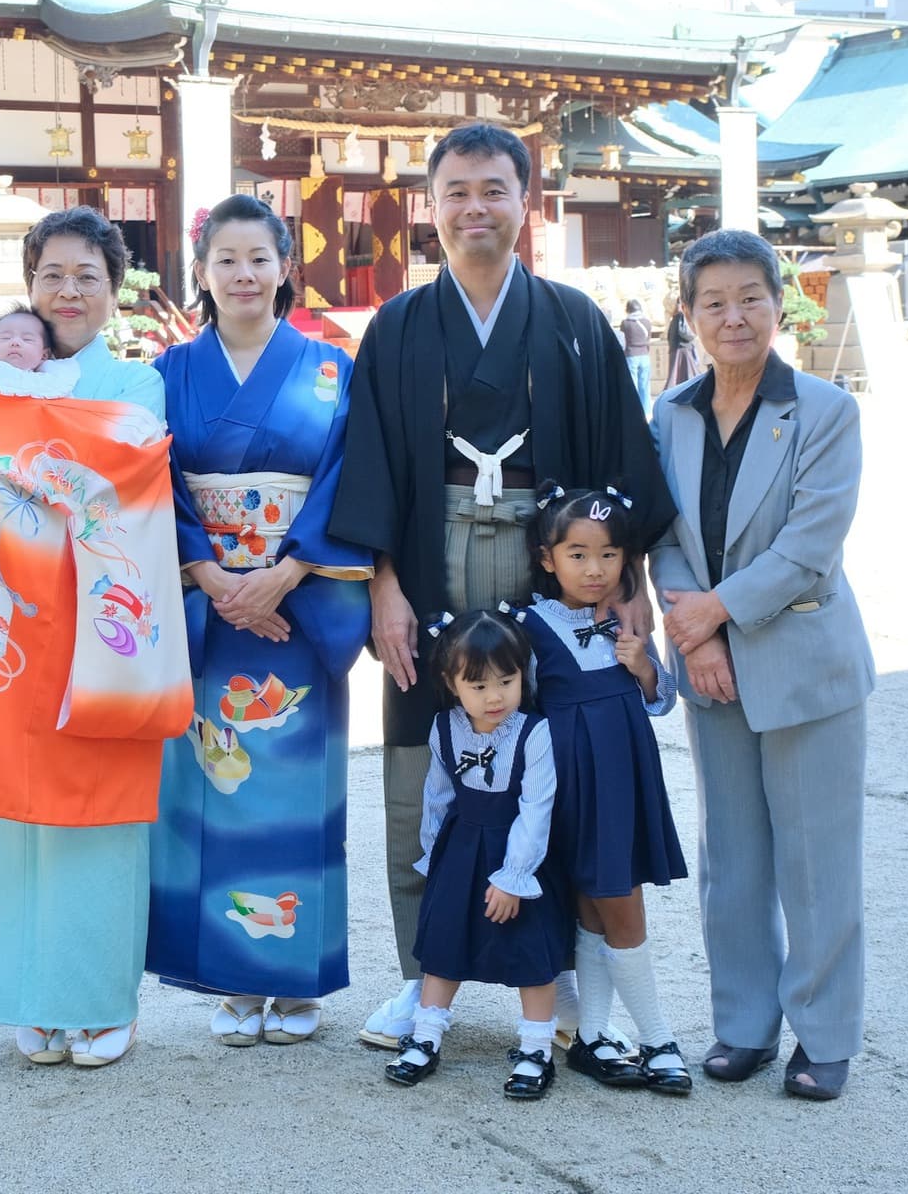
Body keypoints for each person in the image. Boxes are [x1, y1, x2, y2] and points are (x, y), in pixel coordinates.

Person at [329, 122, 675, 1051]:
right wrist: (385, 587)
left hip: (547, 568)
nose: (474, 208)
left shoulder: (572, 323)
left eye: (494, 190)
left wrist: (627, 579)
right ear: (429, 208)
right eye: (456, 192)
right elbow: (372, 468)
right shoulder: (399, 326)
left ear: (527, 203)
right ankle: (420, 980)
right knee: (422, 760)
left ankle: (549, 976)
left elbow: (615, 458)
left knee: (548, 761)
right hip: (429, 553)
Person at [0, 206, 170, 1068]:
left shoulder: (136, 385)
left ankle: (101, 996)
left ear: (115, 291)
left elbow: (111, 483)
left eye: (87, 277)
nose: (68, 293)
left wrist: (12, 441)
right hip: (1, 622)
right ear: (28, 285)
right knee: (9, 813)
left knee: (97, 811)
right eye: (51, 276)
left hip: (98, 623)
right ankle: (27, 991)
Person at [649, 229, 875, 1102]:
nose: (733, 316)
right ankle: (743, 1026)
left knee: (817, 861)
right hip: (712, 671)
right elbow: (662, 534)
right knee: (732, 859)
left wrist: (713, 614)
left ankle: (824, 1038)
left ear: (781, 305)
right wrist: (696, 638)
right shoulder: (669, 413)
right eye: (713, 302)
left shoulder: (824, 410)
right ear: (689, 315)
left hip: (803, 660)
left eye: (750, 297)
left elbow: (809, 546)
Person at [145, 195, 371, 1046]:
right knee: (215, 786)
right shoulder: (168, 373)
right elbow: (149, 480)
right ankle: (233, 979)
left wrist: (283, 572)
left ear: (284, 268)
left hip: (298, 608)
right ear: (200, 272)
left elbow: (352, 473)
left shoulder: (331, 369)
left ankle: (298, 979)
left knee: (296, 794)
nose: (242, 274)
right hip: (208, 609)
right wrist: (207, 570)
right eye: (225, 259)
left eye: (258, 257)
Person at [516, 484, 691, 1094]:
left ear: (627, 560)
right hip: (572, 784)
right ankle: (654, 1037)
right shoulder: (531, 627)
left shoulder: (628, 622)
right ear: (548, 559)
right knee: (600, 901)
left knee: (613, 900)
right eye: (578, 555)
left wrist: (643, 664)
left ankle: (598, 1035)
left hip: (625, 778)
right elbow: (516, 709)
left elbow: (662, 699)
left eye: (609, 556)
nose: (594, 570)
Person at [383, 609, 564, 1100]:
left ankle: (535, 1047)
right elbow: (437, 797)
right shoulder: (445, 728)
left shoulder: (535, 733)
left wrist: (513, 877)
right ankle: (425, 1036)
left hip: (516, 853)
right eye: (478, 685)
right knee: (444, 945)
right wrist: (432, 859)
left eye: (506, 681)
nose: (495, 696)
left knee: (531, 951)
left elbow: (536, 809)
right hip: (461, 851)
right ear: (451, 681)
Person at [0, 305, 55, 370]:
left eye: (27, 339)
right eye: (6, 337)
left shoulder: (51, 378)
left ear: (44, 355)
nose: (15, 342)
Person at [621, 299, 653, 419]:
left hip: (631, 355)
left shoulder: (625, 323)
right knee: (644, 384)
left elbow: (624, 340)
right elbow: (648, 337)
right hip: (645, 354)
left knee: (633, 385)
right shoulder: (647, 322)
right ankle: (647, 412)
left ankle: (634, 411)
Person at [665, 304, 699, 389]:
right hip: (682, 349)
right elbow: (684, 332)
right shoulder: (681, 316)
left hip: (677, 349)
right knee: (687, 374)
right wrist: (694, 335)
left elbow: (670, 335)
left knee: (676, 375)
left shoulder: (676, 317)